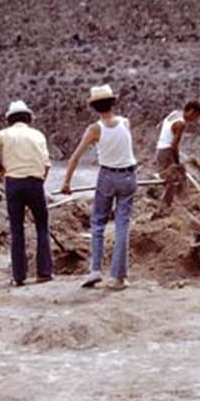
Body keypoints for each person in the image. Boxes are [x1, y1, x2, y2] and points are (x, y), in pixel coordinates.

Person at [60, 84, 137, 290]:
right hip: (129, 175)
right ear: (113, 103)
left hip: (107, 176)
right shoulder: (125, 123)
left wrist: (66, 182)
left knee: (98, 223)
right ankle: (119, 277)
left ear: (94, 107)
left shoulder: (94, 129)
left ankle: (95, 270)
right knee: (122, 224)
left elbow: (75, 157)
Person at [0, 100, 54, 286]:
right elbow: (47, 165)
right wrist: (40, 180)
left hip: (13, 183)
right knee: (42, 226)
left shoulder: (4, 135)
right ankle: (44, 272)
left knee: (16, 229)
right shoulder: (38, 135)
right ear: (28, 118)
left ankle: (19, 276)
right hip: (35, 182)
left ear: (9, 119)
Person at [155, 100, 200, 209]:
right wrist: (177, 162)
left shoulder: (174, 113)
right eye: (195, 116)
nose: (194, 120)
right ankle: (165, 207)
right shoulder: (180, 124)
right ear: (191, 111)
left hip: (160, 149)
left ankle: (178, 202)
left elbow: (160, 125)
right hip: (166, 151)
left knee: (179, 176)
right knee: (172, 180)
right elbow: (174, 146)